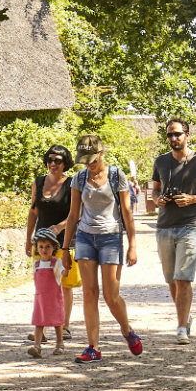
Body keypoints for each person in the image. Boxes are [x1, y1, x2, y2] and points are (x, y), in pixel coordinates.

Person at [61, 134, 143, 363]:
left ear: (102, 153)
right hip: (86, 238)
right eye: (85, 160)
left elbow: (127, 213)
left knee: (111, 296)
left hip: (110, 238)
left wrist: (133, 245)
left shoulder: (117, 176)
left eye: (92, 160)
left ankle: (127, 331)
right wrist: (65, 249)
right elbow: (73, 215)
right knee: (89, 293)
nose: (89, 165)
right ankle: (93, 347)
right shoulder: (78, 178)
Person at [149, 119, 196, 345]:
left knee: (183, 278)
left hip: (190, 225)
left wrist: (192, 199)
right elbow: (154, 191)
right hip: (164, 226)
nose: (173, 139)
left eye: (177, 134)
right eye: (169, 135)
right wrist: (159, 200)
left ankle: (180, 328)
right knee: (171, 280)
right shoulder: (160, 161)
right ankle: (185, 317)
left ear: (187, 135)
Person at [25, 144, 77, 347]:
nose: (52, 164)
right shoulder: (38, 182)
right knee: (43, 284)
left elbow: (76, 213)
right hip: (42, 242)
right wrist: (29, 239)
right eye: (50, 160)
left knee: (64, 284)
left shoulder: (72, 184)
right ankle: (42, 329)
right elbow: (33, 211)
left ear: (65, 163)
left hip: (64, 242)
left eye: (57, 161)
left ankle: (64, 327)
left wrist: (60, 227)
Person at [28, 227, 67, 357]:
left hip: (54, 300)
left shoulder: (56, 263)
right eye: (41, 247)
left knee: (57, 323)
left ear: (54, 248)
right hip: (40, 301)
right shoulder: (36, 264)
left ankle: (60, 343)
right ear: (37, 248)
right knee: (39, 323)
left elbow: (63, 273)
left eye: (48, 246)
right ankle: (37, 346)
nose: (44, 250)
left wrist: (66, 269)